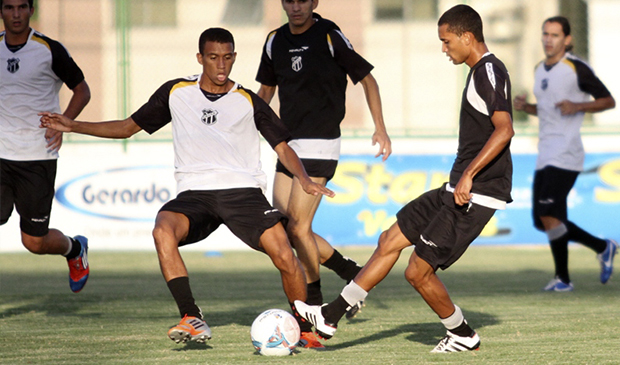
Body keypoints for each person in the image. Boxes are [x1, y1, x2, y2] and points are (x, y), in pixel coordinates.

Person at [40, 27, 334, 344]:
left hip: (243, 193)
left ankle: (303, 329)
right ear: (200, 58)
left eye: (227, 58)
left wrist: (303, 177)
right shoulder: (176, 92)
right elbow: (127, 127)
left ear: (234, 58)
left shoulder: (248, 100)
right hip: (195, 195)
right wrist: (73, 125)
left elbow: (283, 147)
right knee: (162, 229)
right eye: (213, 57)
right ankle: (191, 316)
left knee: (285, 254)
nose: (221, 65)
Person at [295, 4, 515, 353]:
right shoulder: (479, 73)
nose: (444, 49)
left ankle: (462, 335)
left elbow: (505, 130)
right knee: (390, 238)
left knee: (417, 272)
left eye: (446, 41)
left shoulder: (489, 71)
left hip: (476, 193)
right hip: (456, 186)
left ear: (466, 37)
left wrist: (470, 176)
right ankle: (331, 316)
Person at [255, 0, 392, 348]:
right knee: (284, 230)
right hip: (287, 144)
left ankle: (315, 306)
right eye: (289, 0)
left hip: (320, 143)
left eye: (303, 0)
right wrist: (247, 124)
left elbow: (368, 80)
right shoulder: (274, 41)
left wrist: (380, 127)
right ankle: (350, 272)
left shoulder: (329, 35)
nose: (296, 6)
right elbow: (265, 94)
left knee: (299, 227)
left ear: (314, 2)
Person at [513, 16, 617, 292]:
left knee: (549, 213)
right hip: (544, 153)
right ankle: (601, 247)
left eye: (555, 35)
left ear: (567, 40)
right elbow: (547, 110)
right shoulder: (539, 69)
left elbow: (608, 100)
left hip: (567, 152)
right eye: (545, 34)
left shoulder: (575, 68)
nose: (549, 39)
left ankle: (564, 278)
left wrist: (578, 106)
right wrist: (527, 108)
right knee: (542, 219)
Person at [0, 0, 91, 293]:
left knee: (34, 242)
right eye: (8, 7)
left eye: (22, 7)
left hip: (36, 156)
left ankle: (74, 250)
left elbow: (82, 90)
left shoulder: (49, 50)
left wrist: (64, 121)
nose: (16, 14)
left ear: (31, 10)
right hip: (1, 154)